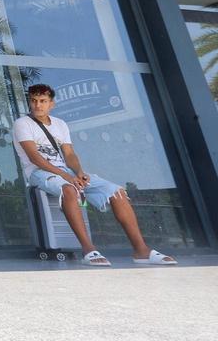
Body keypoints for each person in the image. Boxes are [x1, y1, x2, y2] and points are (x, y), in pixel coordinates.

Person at [14, 83, 177, 267]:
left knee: (117, 192)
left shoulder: (60, 124)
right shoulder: (22, 124)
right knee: (69, 190)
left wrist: (79, 172)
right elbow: (34, 157)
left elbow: (69, 154)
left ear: (52, 104)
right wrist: (67, 177)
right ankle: (88, 249)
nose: (37, 105)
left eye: (43, 101)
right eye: (34, 101)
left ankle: (141, 250)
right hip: (39, 173)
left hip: (66, 172)